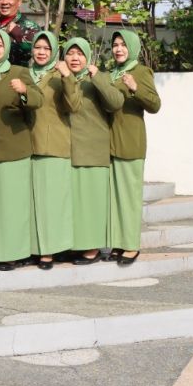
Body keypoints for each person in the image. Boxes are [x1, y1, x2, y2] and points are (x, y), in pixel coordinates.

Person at [0, 29, 42, 270]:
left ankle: (10, 254)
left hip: (11, 146)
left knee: (9, 205)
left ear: (7, 49)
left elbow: (38, 99)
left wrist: (24, 91)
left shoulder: (19, 72)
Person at [61, 37, 125, 265]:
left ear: (87, 56)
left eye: (80, 53)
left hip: (92, 149)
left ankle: (92, 248)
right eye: (70, 53)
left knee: (90, 202)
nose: (75, 58)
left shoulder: (99, 78)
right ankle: (75, 245)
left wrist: (97, 76)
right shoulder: (61, 79)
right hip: (66, 149)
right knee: (73, 203)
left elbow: (116, 102)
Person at [108, 30, 161, 266]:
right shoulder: (112, 73)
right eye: (115, 45)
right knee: (114, 197)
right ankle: (118, 242)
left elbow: (155, 105)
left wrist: (135, 87)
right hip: (109, 142)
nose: (119, 49)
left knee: (129, 197)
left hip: (130, 141)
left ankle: (131, 245)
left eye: (123, 45)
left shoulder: (140, 71)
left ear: (132, 47)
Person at [26, 32, 76, 270]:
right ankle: (34, 248)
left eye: (47, 48)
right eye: (38, 47)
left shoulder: (60, 76)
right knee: (33, 202)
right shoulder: (26, 74)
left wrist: (67, 76)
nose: (41, 52)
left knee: (52, 202)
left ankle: (50, 251)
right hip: (27, 144)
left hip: (52, 145)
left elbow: (74, 104)